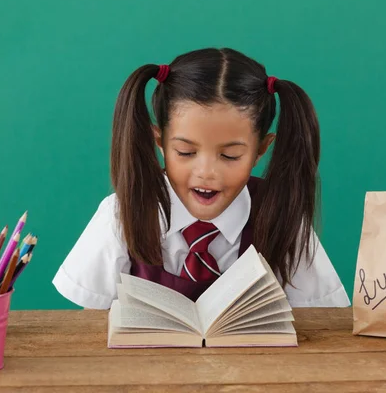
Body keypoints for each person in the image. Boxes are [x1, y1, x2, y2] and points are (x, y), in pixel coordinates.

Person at [52, 48, 350, 309]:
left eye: (230, 156)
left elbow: (320, 317)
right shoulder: (121, 213)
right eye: (185, 151)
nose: (206, 172)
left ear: (261, 150)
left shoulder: (283, 218)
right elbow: (92, 325)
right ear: (160, 141)